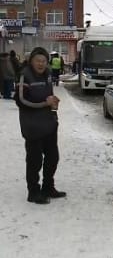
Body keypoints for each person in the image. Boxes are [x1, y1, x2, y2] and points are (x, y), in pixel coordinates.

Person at [15, 47, 66, 204]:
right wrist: (44, 103)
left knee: (53, 158)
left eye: (43, 61)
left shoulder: (48, 73)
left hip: (49, 123)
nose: (41, 64)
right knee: (34, 160)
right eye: (38, 60)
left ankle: (48, 187)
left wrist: (52, 101)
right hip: (32, 126)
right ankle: (33, 192)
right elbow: (20, 101)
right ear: (31, 61)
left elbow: (47, 94)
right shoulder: (25, 75)